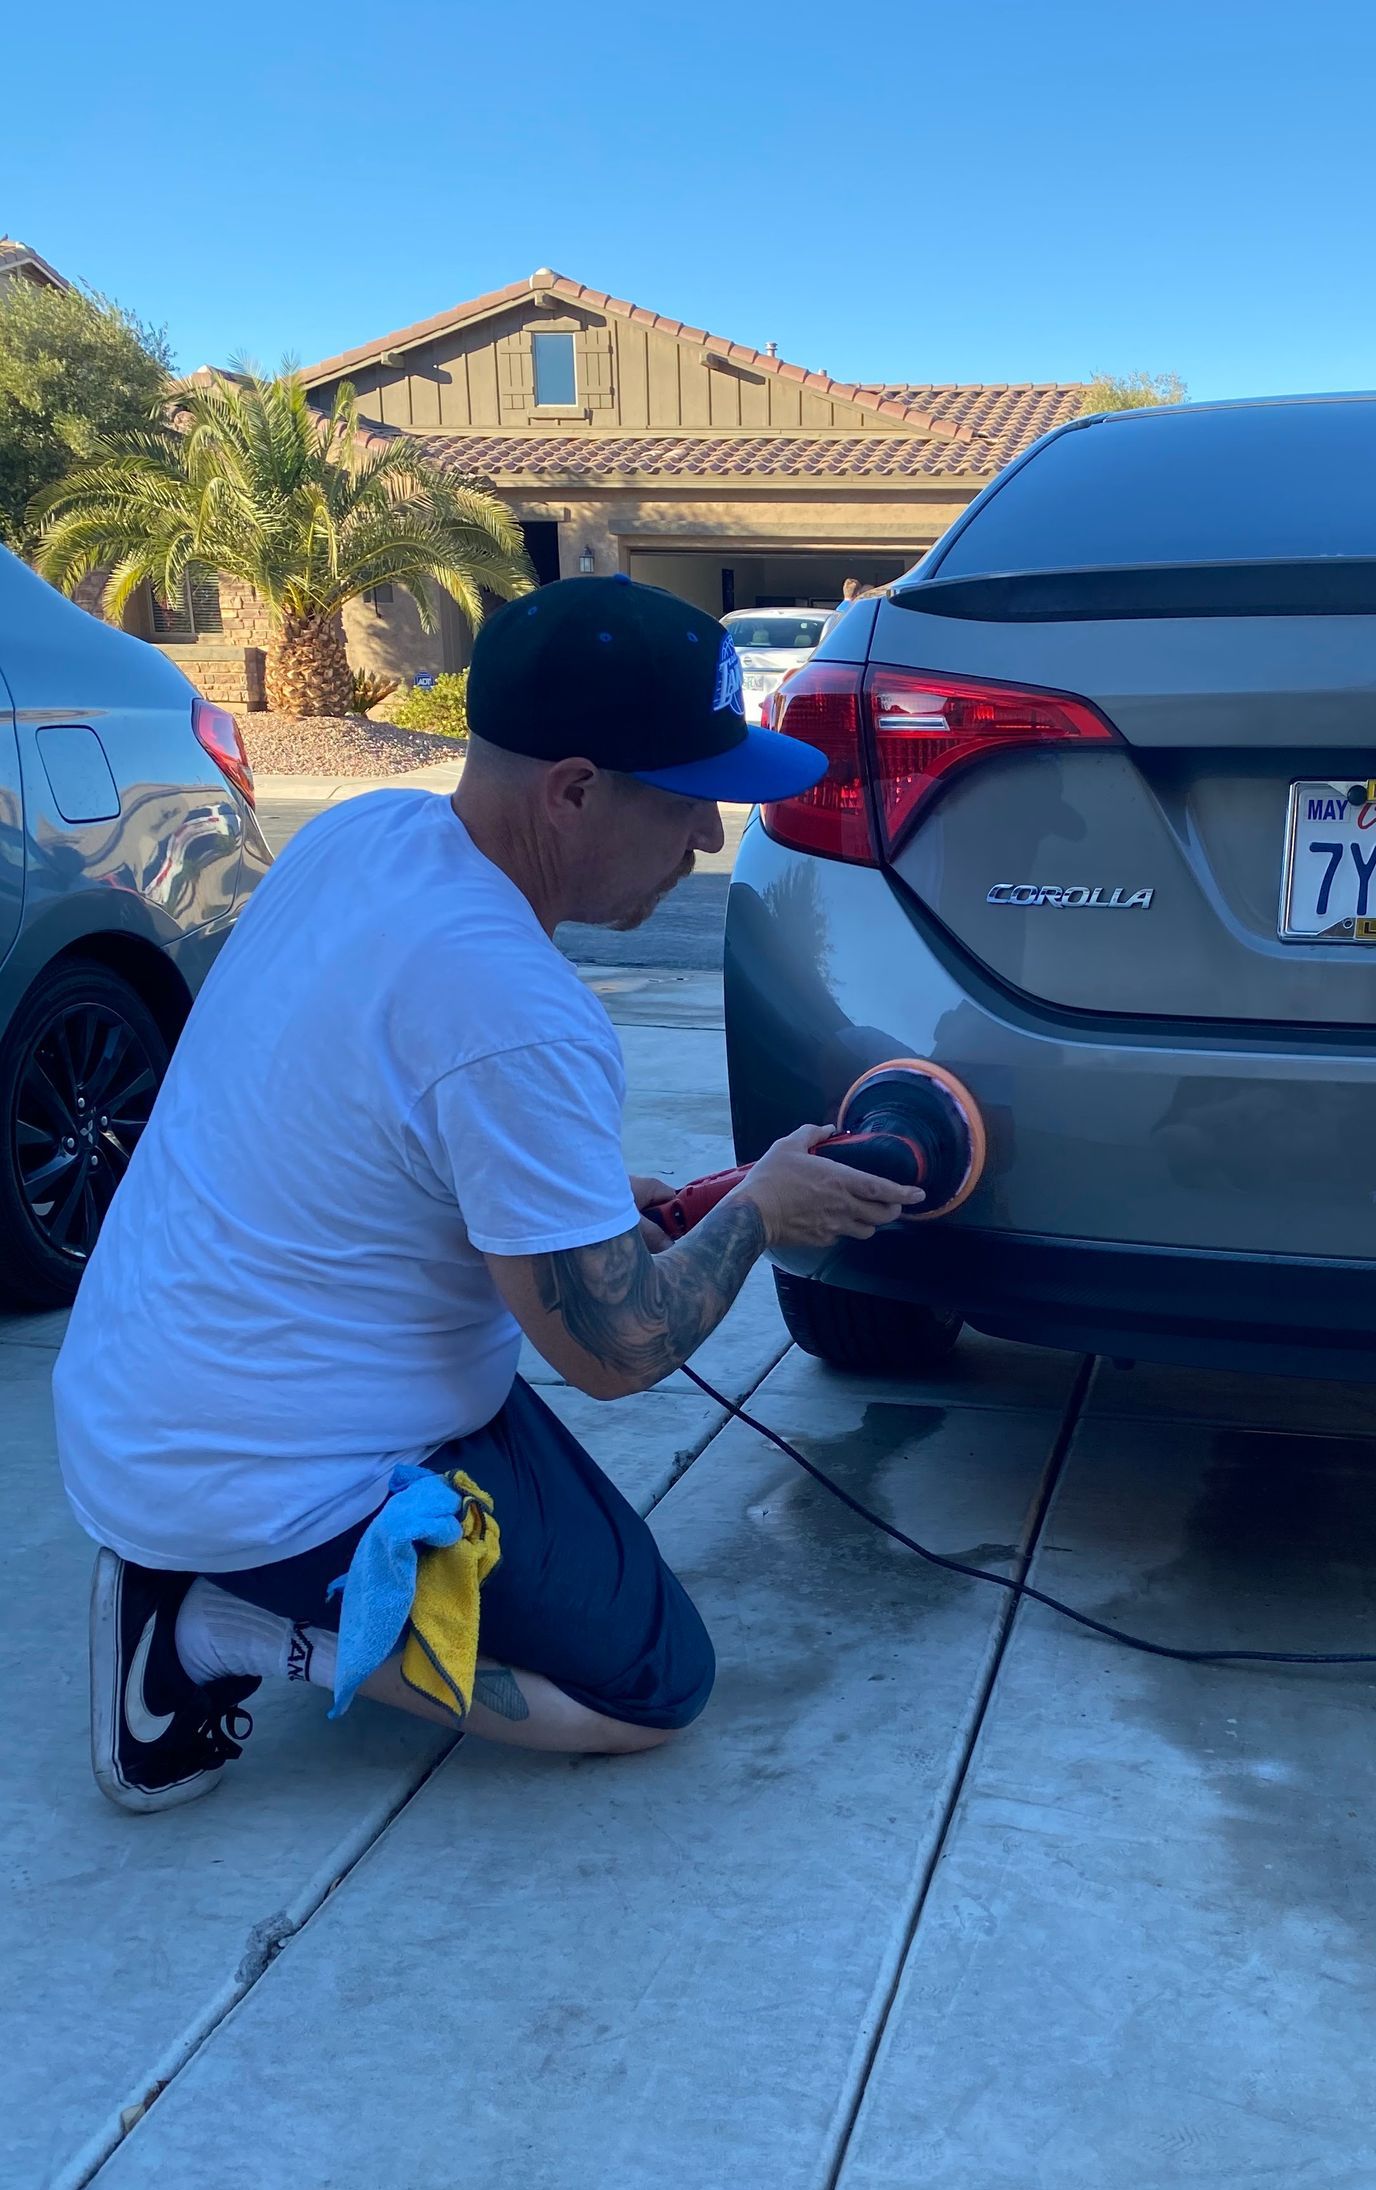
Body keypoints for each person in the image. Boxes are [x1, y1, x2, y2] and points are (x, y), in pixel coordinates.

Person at [54, 577, 921, 1812]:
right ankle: (206, 1625)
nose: (710, 843)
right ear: (572, 790)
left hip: (145, 1400)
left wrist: (585, 1200)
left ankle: (223, 1571)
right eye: (689, 802)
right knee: (647, 1687)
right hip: (259, 1470)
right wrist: (757, 1215)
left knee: (596, 1574)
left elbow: (364, 1122)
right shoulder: (513, 1009)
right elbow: (614, 1352)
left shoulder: (370, 837)